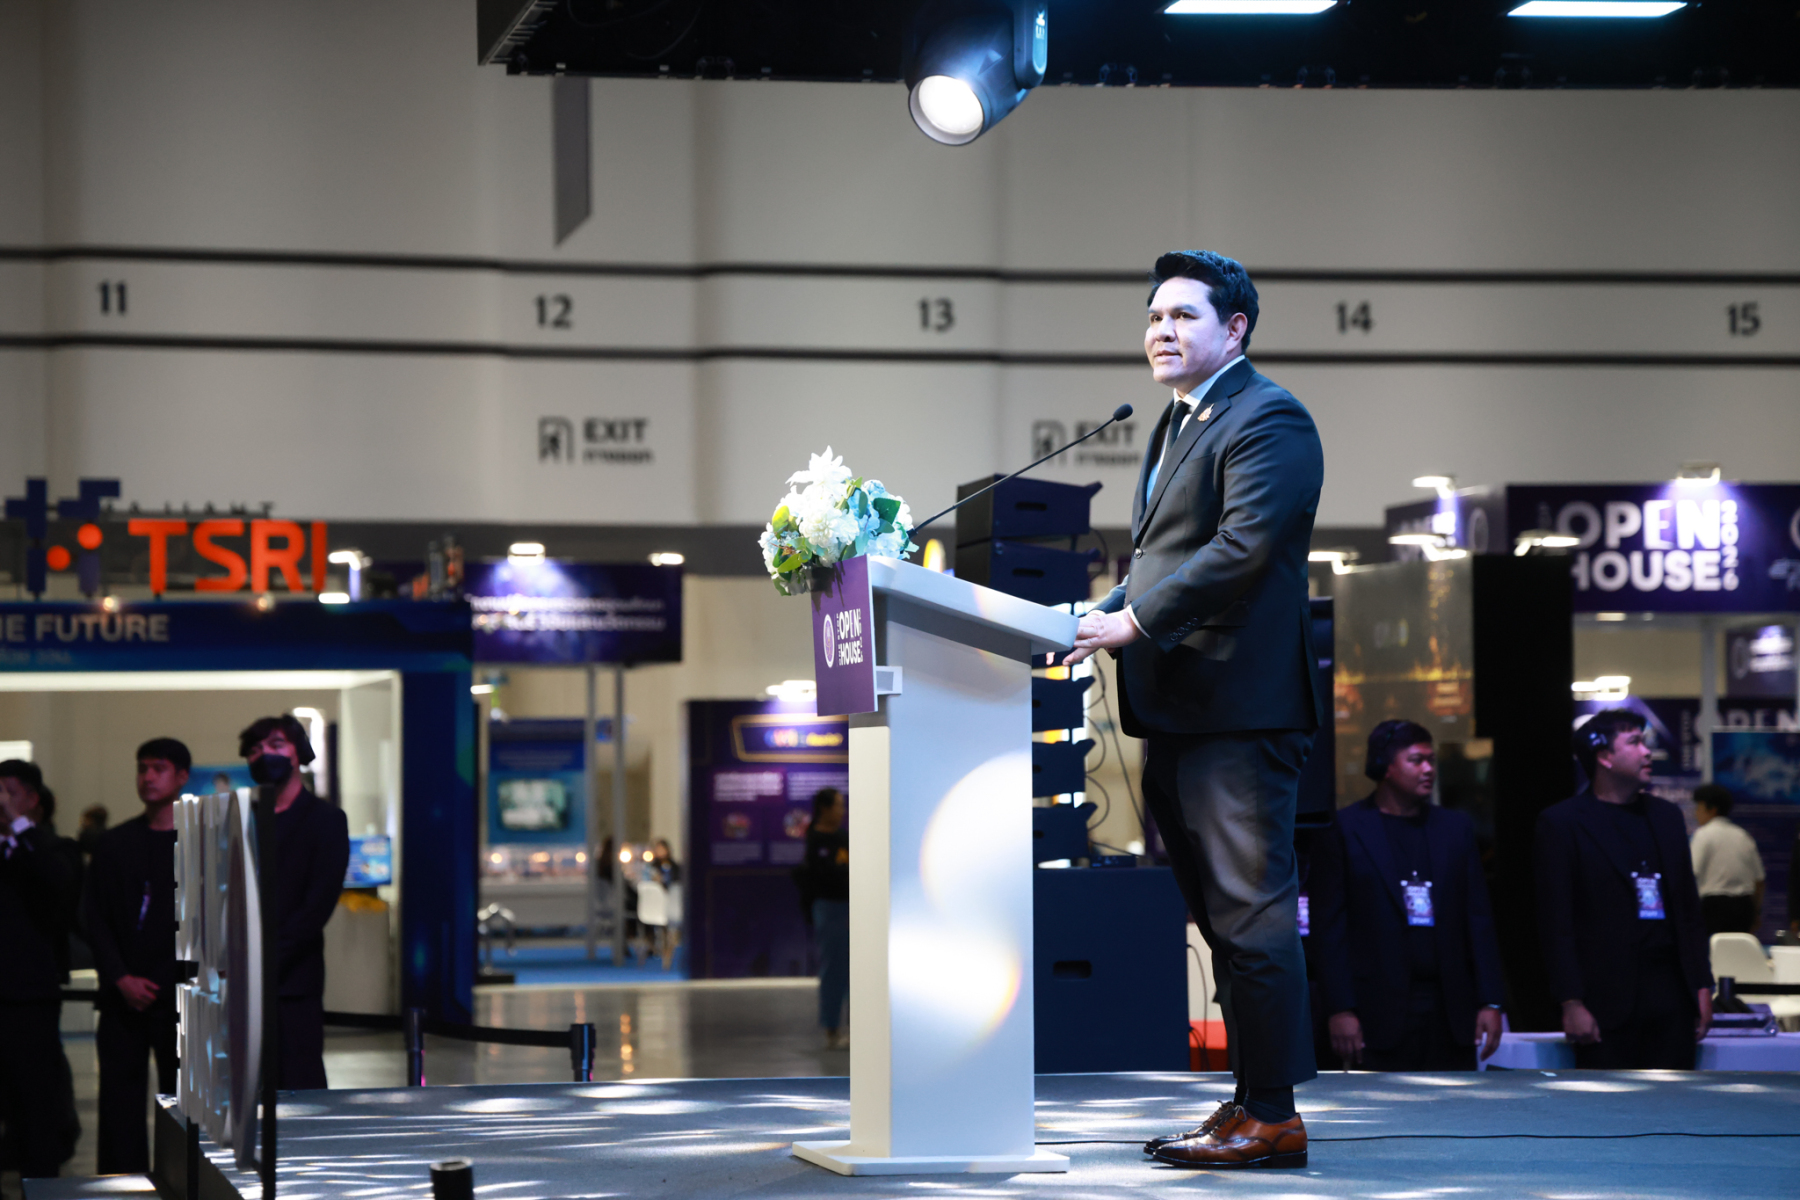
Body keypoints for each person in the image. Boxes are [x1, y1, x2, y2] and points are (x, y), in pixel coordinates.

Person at [1065, 250, 1323, 1170]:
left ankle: (1276, 1115)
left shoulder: (1270, 416)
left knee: (1252, 916)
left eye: (1183, 316)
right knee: (1221, 924)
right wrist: (1102, 610)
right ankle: (1251, 1099)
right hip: (1180, 709)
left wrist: (1132, 621)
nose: (1161, 332)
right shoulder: (1180, 420)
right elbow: (1164, 556)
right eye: (1153, 317)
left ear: (1235, 328)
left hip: (1239, 714)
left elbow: (1243, 547)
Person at [1311, 721, 1506, 1072]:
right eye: (1416, 760)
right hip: (1375, 1009)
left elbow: (1478, 919)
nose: (1428, 769)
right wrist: (1340, 1008)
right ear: (1384, 766)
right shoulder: (1345, 828)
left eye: (1431, 760)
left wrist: (1490, 1001)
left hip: (1450, 1009)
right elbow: (1329, 928)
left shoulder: (1455, 828)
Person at [1536, 710, 1712, 1069]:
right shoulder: (1562, 823)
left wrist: (1702, 985)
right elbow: (1556, 923)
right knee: (1611, 1102)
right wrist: (1571, 1002)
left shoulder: (1666, 817)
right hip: (1604, 1002)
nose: (1647, 752)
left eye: (1644, 741)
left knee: (1679, 1100)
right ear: (1604, 756)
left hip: (1671, 997)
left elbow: (1688, 910)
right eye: (1634, 742)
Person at [83, 738, 188, 1173]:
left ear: (181, 776)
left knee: (185, 1104)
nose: (147, 777)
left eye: (158, 768)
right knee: (119, 1105)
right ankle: (123, 1184)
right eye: (142, 768)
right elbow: (94, 916)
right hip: (122, 993)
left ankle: (186, 1179)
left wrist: (169, 979)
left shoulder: (200, 841)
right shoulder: (115, 843)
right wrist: (120, 977)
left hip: (181, 996)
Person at [239, 714, 350, 1090]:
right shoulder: (242, 821)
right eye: (255, 750)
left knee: (299, 1082)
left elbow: (317, 906)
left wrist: (265, 958)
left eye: (275, 745)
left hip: (293, 980)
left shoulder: (325, 820)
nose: (263, 755)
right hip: (237, 979)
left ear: (298, 752)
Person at [0, 760, 82, 1177]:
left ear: (32, 798)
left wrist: (18, 825)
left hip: (29, 995)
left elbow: (57, 883)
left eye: (8, 792)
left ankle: (41, 1182)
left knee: (35, 1098)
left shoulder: (56, 848)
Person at [800, 787, 850, 1050]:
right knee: (833, 967)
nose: (843, 811)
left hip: (850, 907)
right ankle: (832, 1027)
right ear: (825, 808)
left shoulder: (845, 837)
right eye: (839, 805)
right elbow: (822, 875)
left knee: (855, 968)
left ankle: (858, 1027)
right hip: (829, 908)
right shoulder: (816, 839)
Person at [1689, 783, 1764, 936]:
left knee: (1714, 948)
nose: (1695, 813)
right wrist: (1755, 912)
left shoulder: (1703, 834)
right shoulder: (1742, 835)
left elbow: (1691, 873)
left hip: (1713, 908)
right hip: (1744, 906)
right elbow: (1759, 880)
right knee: (1739, 948)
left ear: (1712, 809)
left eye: (1698, 808)